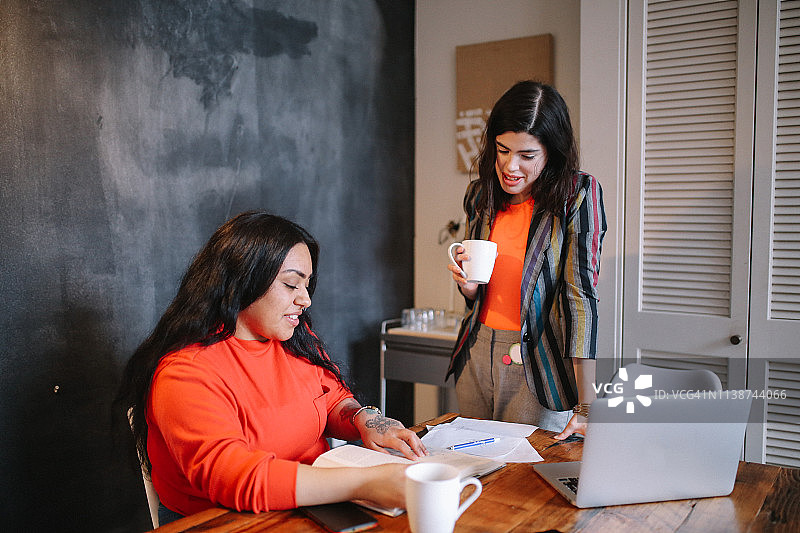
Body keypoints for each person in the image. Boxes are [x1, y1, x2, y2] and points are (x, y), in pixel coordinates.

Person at [117, 211, 426, 525]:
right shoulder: (185, 371)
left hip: (311, 508)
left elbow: (332, 398)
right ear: (242, 281)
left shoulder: (293, 338)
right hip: (229, 521)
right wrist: (365, 483)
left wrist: (367, 419)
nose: (305, 300)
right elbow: (236, 478)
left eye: (306, 285)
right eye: (291, 284)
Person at [447, 80, 606, 439]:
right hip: (476, 351)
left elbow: (580, 297)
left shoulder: (577, 195)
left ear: (552, 152)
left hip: (537, 362)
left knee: (526, 468)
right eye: (502, 150)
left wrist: (586, 406)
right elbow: (483, 290)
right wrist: (469, 288)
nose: (510, 166)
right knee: (473, 462)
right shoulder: (480, 194)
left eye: (527, 156)